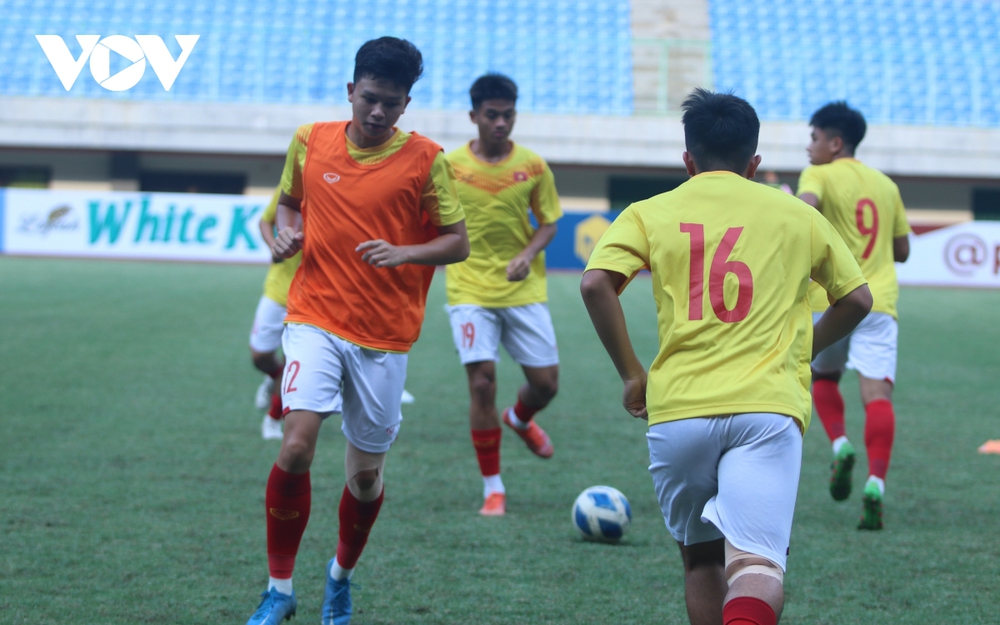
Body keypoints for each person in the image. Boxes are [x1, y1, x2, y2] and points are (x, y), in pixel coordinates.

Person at [580, 89, 872, 625]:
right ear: (754, 163)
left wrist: (631, 374)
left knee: (701, 560)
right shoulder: (794, 213)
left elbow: (597, 283)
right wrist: (809, 349)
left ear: (688, 160)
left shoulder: (650, 211)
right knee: (756, 564)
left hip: (678, 410)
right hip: (766, 407)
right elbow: (857, 300)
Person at [245, 37, 469, 625]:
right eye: (369, 99)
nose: (377, 113)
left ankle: (339, 577)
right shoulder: (309, 140)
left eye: (391, 105)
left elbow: (457, 242)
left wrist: (404, 251)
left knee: (365, 480)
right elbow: (290, 203)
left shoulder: (426, 159)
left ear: (405, 105)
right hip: (314, 315)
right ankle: (279, 589)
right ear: (350, 90)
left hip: (384, 336)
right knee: (295, 446)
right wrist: (286, 234)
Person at [444, 73, 563, 516]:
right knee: (481, 383)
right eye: (491, 115)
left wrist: (528, 253)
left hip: (522, 287)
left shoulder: (533, 165)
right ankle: (493, 486)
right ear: (474, 116)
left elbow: (549, 221)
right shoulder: (450, 166)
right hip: (469, 287)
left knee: (546, 385)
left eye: (508, 115)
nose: (500, 122)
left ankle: (520, 417)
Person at [798, 101, 911, 530]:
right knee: (877, 396)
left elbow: (806, 210)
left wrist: (791, 204)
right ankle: (876, 484)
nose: (809, 147)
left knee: (822, 377)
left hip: (831, 300)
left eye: (814, 138)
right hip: (879, 301)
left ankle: (841, 443)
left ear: (835, 142)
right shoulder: (886, 185)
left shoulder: (819, 174)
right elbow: (902, 250)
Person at [250, 187, 302, 440]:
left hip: (312, 299)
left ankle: (272, 420)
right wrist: (273, 246)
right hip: (278, 291)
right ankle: (272, 376)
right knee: (260, 356)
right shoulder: (291, 189)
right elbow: (265, 220)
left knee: (294, 365)